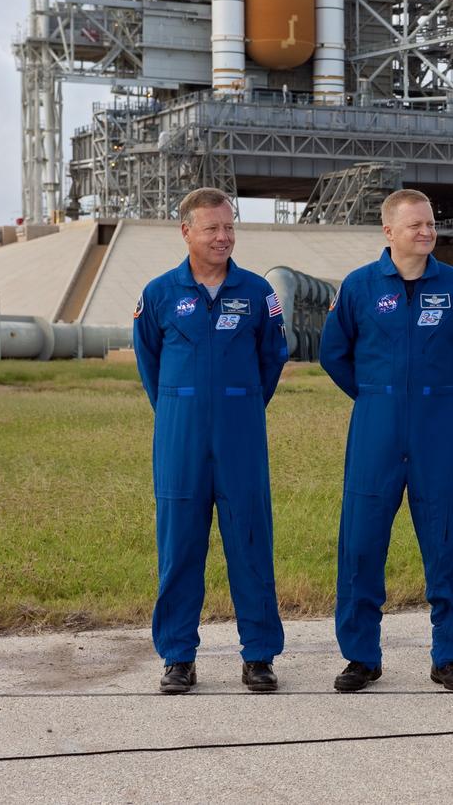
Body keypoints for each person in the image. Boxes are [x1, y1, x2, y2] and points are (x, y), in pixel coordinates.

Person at [319, 189, 453, 693]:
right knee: (361, 544)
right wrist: (376, 397)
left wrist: (443, 398)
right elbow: (334, 353)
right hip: (375, 425)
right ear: (389, 232)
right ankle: (361, 657)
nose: (426, 232)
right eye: (415, 225)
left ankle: (449, 657)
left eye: (430, 224)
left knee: (446, 540)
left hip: (437, 424)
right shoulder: (358, 287)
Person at [132, 187, 288, 694]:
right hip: (180, 435)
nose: (223, 237)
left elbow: (273, 358)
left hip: (241, 432)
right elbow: (149, 362)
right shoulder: (158, 294)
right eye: (212, 228)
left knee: (250, 541)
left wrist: (238, 404)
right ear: (186, 232)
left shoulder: (257, 293)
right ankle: (178, 656)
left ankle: (259, 656)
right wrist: (182, 408)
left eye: (229, 227)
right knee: (179, 545)